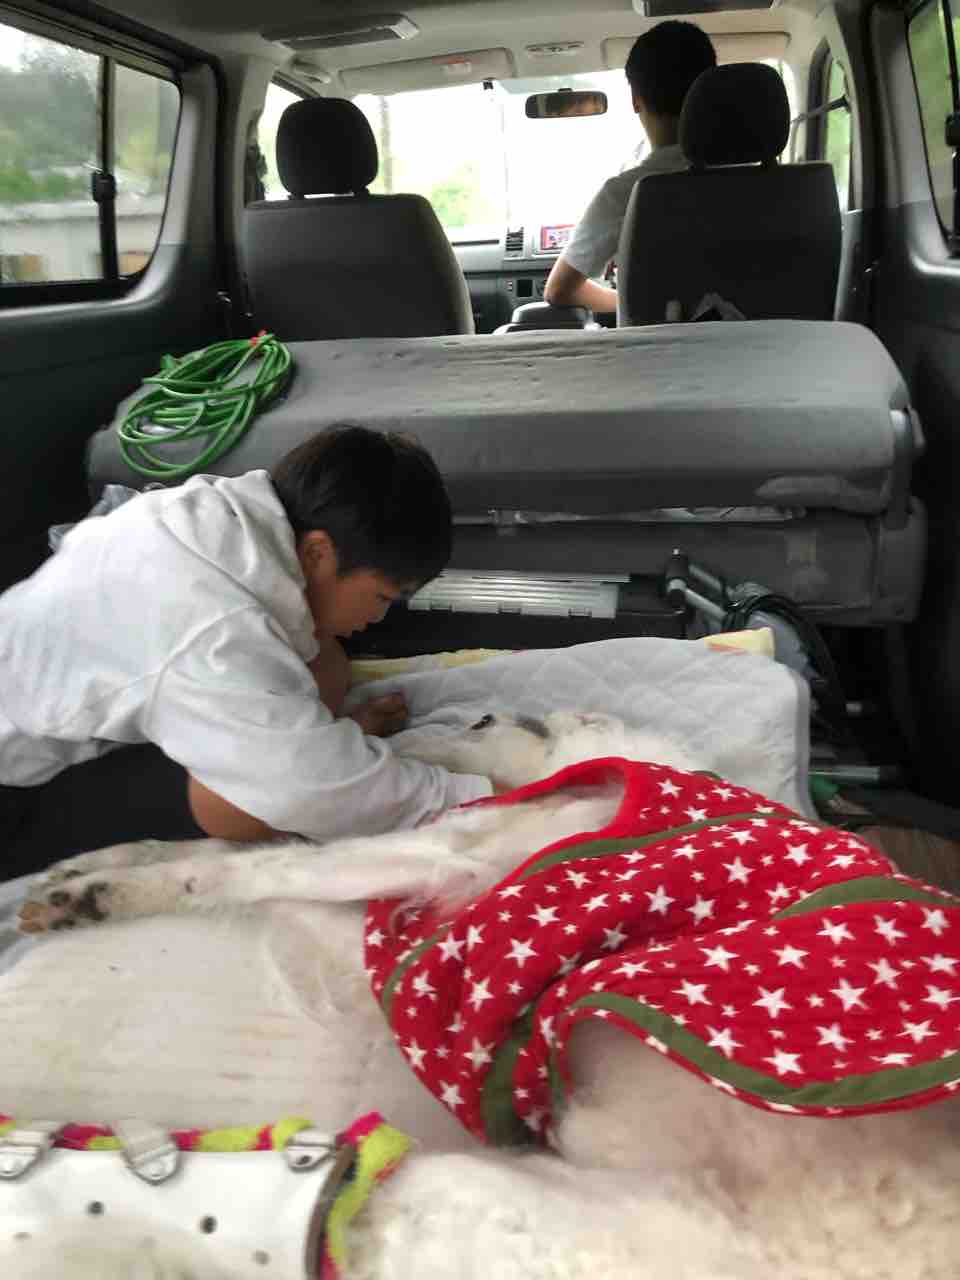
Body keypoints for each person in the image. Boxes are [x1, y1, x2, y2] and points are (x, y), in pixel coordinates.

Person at [0, 425, 494, 878]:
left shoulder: (214, 514)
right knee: (240, 807)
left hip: (69, 698)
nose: (379, 617)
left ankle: (306, 743)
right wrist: (480, 799)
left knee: (325, 659)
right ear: (318, 552)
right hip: (23, 792)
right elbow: (308, 793)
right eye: (382, 597)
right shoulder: (215, 630)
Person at [543, 21, 717, 314]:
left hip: (661, 344)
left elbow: (559, 290)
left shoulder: (625, 192)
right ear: (709, 90)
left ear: (636, 100)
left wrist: (630, 301)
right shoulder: (771, 186)